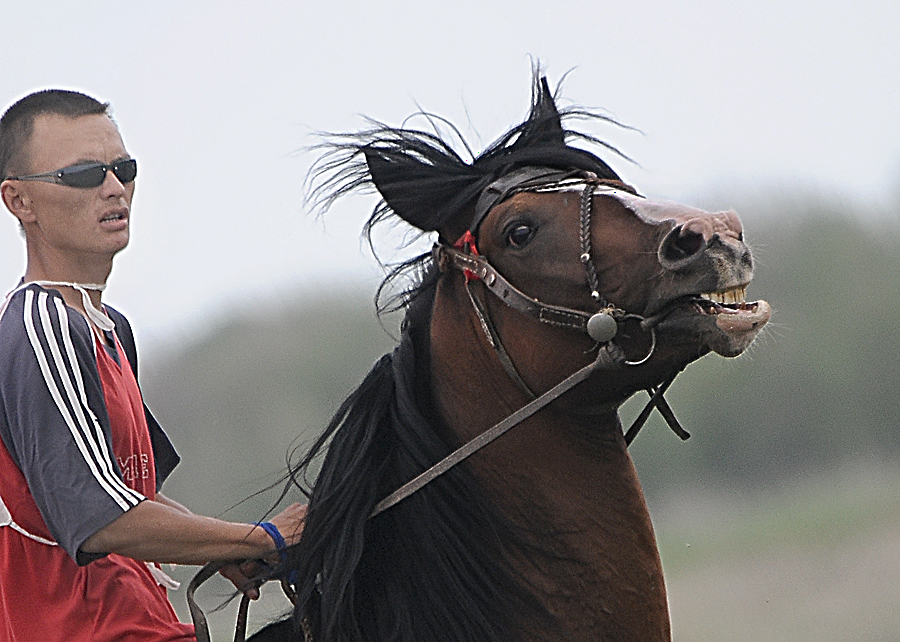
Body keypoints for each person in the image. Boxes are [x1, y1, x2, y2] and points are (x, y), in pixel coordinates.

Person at [0, 89, 306, 642]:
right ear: (19, 201)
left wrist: (226, 544)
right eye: (84, 175)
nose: (115, 188)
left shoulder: (108, 325)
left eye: (123, 168)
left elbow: (129, 491)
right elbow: (102, 515)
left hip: (148, 623)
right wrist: (259, 540)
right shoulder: (40, 325)